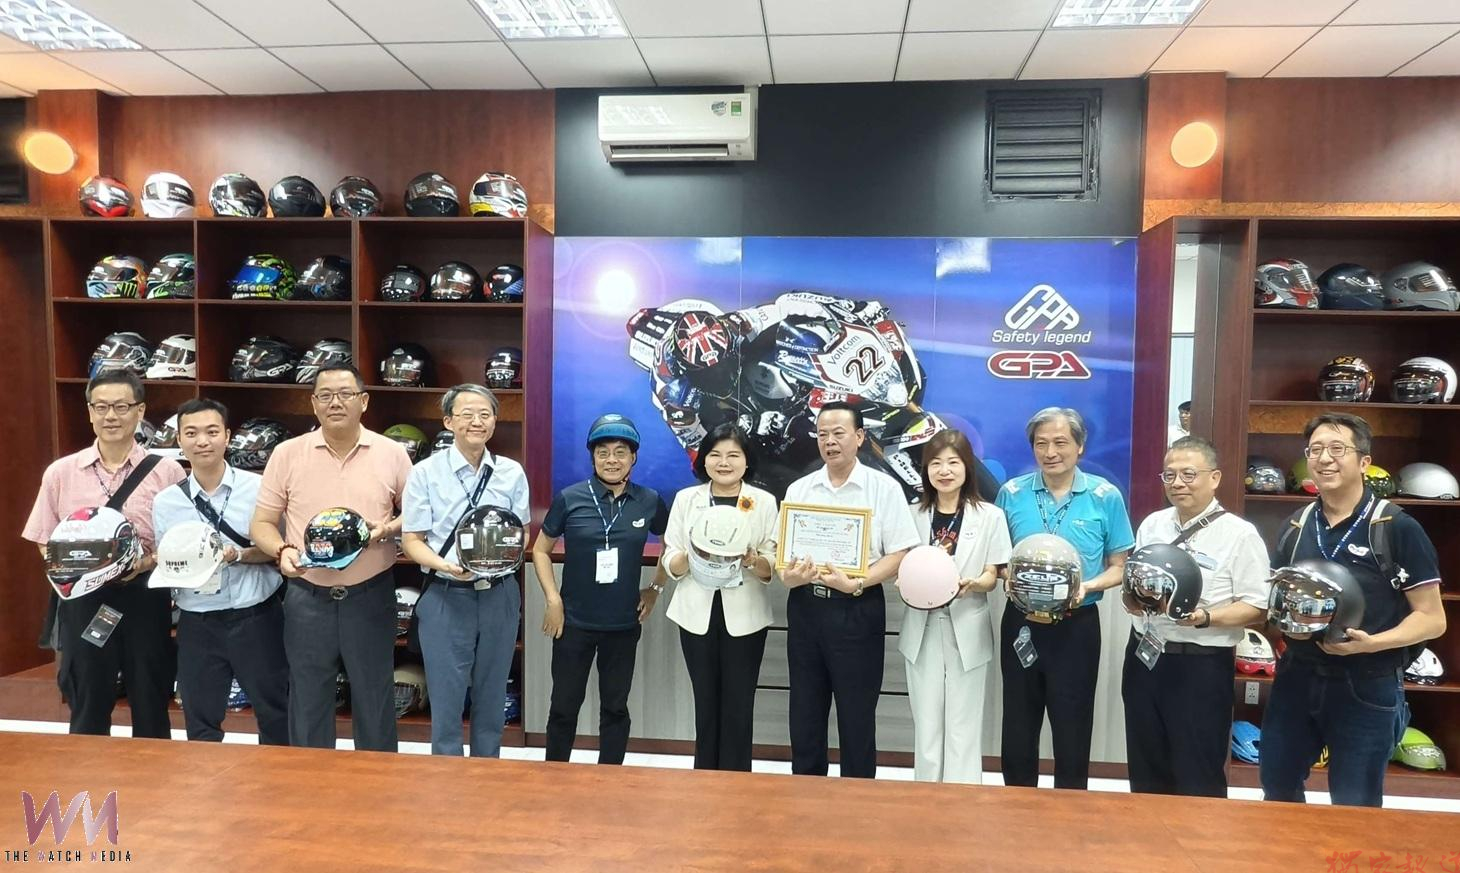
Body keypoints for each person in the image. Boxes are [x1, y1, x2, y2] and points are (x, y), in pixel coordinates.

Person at [1261, 412, 1446, 807]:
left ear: (1364, 461)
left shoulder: (1396, 526)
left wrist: (1372, 643)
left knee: (1355, 801)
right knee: (1277, 786)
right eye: (1315, 450)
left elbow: (1432, 618)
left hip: (1366, 681)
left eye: (1337, 449)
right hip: (1297, 675)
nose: (1324, 458)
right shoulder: (1296, 525)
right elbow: (1279, 599)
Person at [249, 364, 413, 752]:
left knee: (374, 697)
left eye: (345, 394)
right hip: (307, 596)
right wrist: (282, 550)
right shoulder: (287, 454)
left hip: (371, 595)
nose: (334, 402)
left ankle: (376, 780)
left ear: (364, 401)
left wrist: (386, 529)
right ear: (313, 403)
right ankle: (310, 783)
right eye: (325, 395)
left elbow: (416, 516)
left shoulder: (392, 454)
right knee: (307, 699)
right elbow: (262, 523)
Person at [23, 370, 185, 737]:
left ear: (140, 411)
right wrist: (73, 573)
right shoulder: (61, 473)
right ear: (89, 412)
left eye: (121, 407)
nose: (111, 416)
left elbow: (178, 539)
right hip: (84, 601)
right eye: (101, 407)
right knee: (87, 699)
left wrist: (147, 562)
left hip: (146, 595)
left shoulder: (167, 471)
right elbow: (44, 538)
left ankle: (154, 768)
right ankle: (87, 770)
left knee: (151, 697)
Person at [995, 406, 1134, 790]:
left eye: (1060, 442)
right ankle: (1017, 803)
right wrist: (1008, 577)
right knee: (1018, 721)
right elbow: (997, 560)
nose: (1050, 452)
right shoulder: (1011, 494)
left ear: (1080, 446)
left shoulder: (1105, 496)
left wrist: (1087, 586)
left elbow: (1119, 566)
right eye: (1041, 444)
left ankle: (1071, 806)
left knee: (1073, 722)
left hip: (1077, 626)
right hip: (1021, 624)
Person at [1122, 435, 1270, 796]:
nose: (1178, 483)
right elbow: (1135, 580)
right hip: (1144, 656)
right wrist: (1133, 600)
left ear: (1214, 478)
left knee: (1197, 771)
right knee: (1145, 764)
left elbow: (1258, 606)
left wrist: (1205, 617)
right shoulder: (1152, 525)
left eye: (1189, 474)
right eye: (1170, 475)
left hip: (1200, 666)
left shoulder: (1240, 535)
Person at [782, 401, 920, 778]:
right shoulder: (799, 489)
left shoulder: (883, 488)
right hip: (806, 608)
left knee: (857, 715)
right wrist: (790, 577)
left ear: (859, 437)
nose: (829, 441)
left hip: (858, 608)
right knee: (805, 713)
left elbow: (900, 553)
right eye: (822, 434)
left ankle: (857, 799)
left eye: (838, 433)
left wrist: (857, 582)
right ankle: (805, 795)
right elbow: (784, 561)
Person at [530, 414, 669, 765]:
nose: (612, 460)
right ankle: (555, 776)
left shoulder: (649, 500)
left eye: (621, 452)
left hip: (623, 624)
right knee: (563, 707)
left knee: (615, 708)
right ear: (592, 457)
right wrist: (552, 599)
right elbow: (540, 550)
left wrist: (655, 588)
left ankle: (611, 779)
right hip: (573, 623)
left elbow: (672, 544)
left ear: (633, 457)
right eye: (603, 452)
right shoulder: (570, 498)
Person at [401, 384, 529, 757]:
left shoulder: (511, 472)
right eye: (467, 414)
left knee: (492, 694)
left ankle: (486, 772)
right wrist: (444, 565)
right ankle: (448, 778)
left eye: (485, 414)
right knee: (446, 698)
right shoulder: (425, 473)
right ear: (448, 421)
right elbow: (412, 541)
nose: (477, 421)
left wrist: (502, 559)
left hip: (500, 595)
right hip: (446, 595)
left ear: (495, 421)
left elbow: (520, 532)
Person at [152, 398, 289, 745]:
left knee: (276, 712)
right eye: (191, 433)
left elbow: (279, 549)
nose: (202, 441)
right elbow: (166, 558)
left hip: (256, 616)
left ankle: (280, 777)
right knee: (199, 718)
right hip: (197, 621)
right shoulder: (166, 502)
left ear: (227, 436)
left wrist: (238, 555)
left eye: (212, 432)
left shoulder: (259, 489)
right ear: (179, 440)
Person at [662, 423, 779, 771]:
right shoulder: (687, 499)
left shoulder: (763, 501)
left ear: (747, 461)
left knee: (740, 702)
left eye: (733, 455)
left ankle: (737, 778)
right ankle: (705, 776)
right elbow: (670, 556)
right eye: (715, 455)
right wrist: (692, 556)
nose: (723, 462)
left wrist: (753, 560)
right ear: (703, 460)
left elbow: (773, 562)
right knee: (705, 699)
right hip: (695, 614)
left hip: (746, 614)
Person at [899, 429, 1010, 784]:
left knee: (964, 723)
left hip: (967, 624)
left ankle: (964, 797)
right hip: (921, 627)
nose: (944, 471)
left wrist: (976, 583)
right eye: (935, 463)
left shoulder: (990, 516)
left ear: (967, 468)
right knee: (926, 722)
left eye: (953, 462)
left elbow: (993, 573)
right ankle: (926, 796)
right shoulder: (911, 514)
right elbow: (899, 565)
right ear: (925, 470)